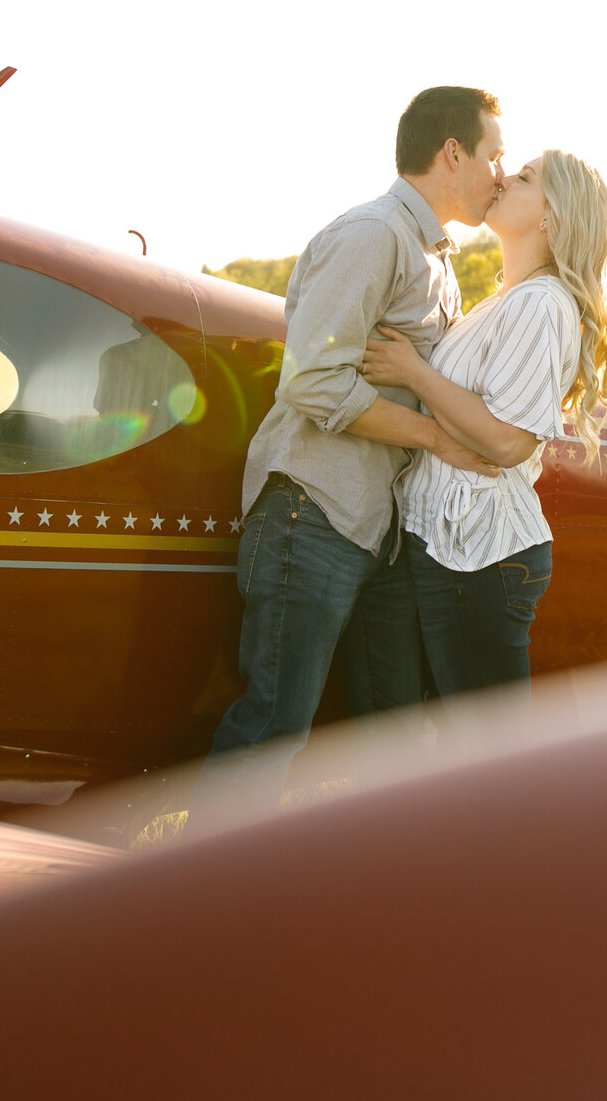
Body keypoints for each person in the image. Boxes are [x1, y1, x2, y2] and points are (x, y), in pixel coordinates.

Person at [195, 86, 505, 812]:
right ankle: (197, 911)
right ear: (452, 153)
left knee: (392, 739)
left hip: (382, 531)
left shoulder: (435, 257)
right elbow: (314, 382)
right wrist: (434, 435)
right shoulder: (373, 236)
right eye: (495, 154)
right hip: (316, 517)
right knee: (273, 731)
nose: (501, 171)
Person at [360, 149, 607, 698]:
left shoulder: (541, 303)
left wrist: (412, 371)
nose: (504, 177)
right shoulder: (503, 301)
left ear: (553, 215)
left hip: (480, 557)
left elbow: (508, 442)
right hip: (449, 544)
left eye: (525, 177)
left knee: (482, 753)